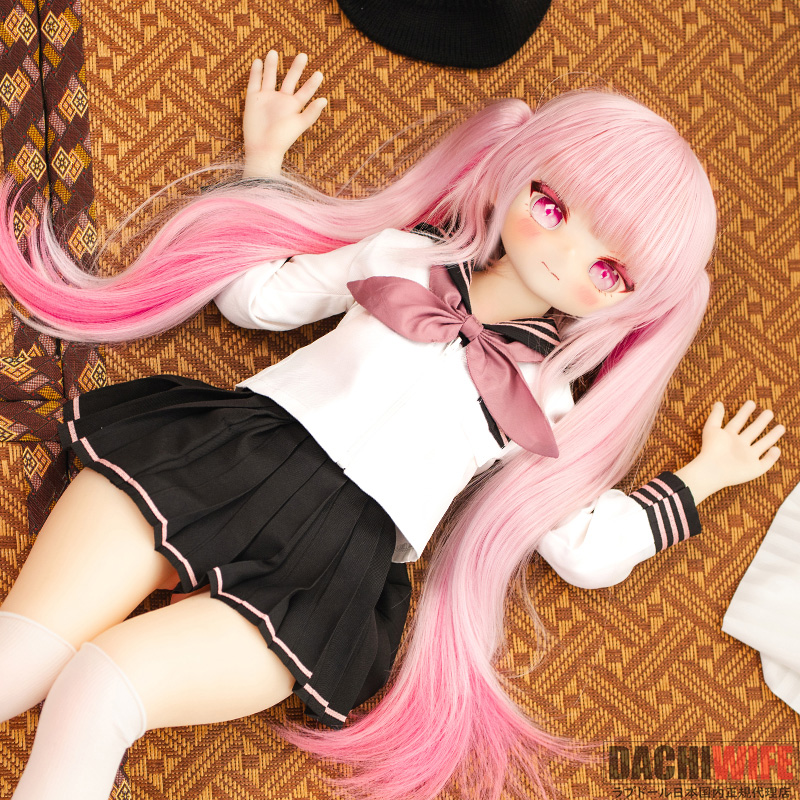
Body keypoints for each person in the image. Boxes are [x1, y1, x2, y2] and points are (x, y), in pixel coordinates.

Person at [0, 51, 785, 800]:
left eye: (609, 270)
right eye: (552, 207)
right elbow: (256, 300)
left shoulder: (545, 400)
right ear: (518, 170)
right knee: (20, 656)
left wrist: (699, 481)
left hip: (327, 569)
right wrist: (264, 164)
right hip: (223, 455)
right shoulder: (401, 255)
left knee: (99, 690)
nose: (564, 254)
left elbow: (581, 545)